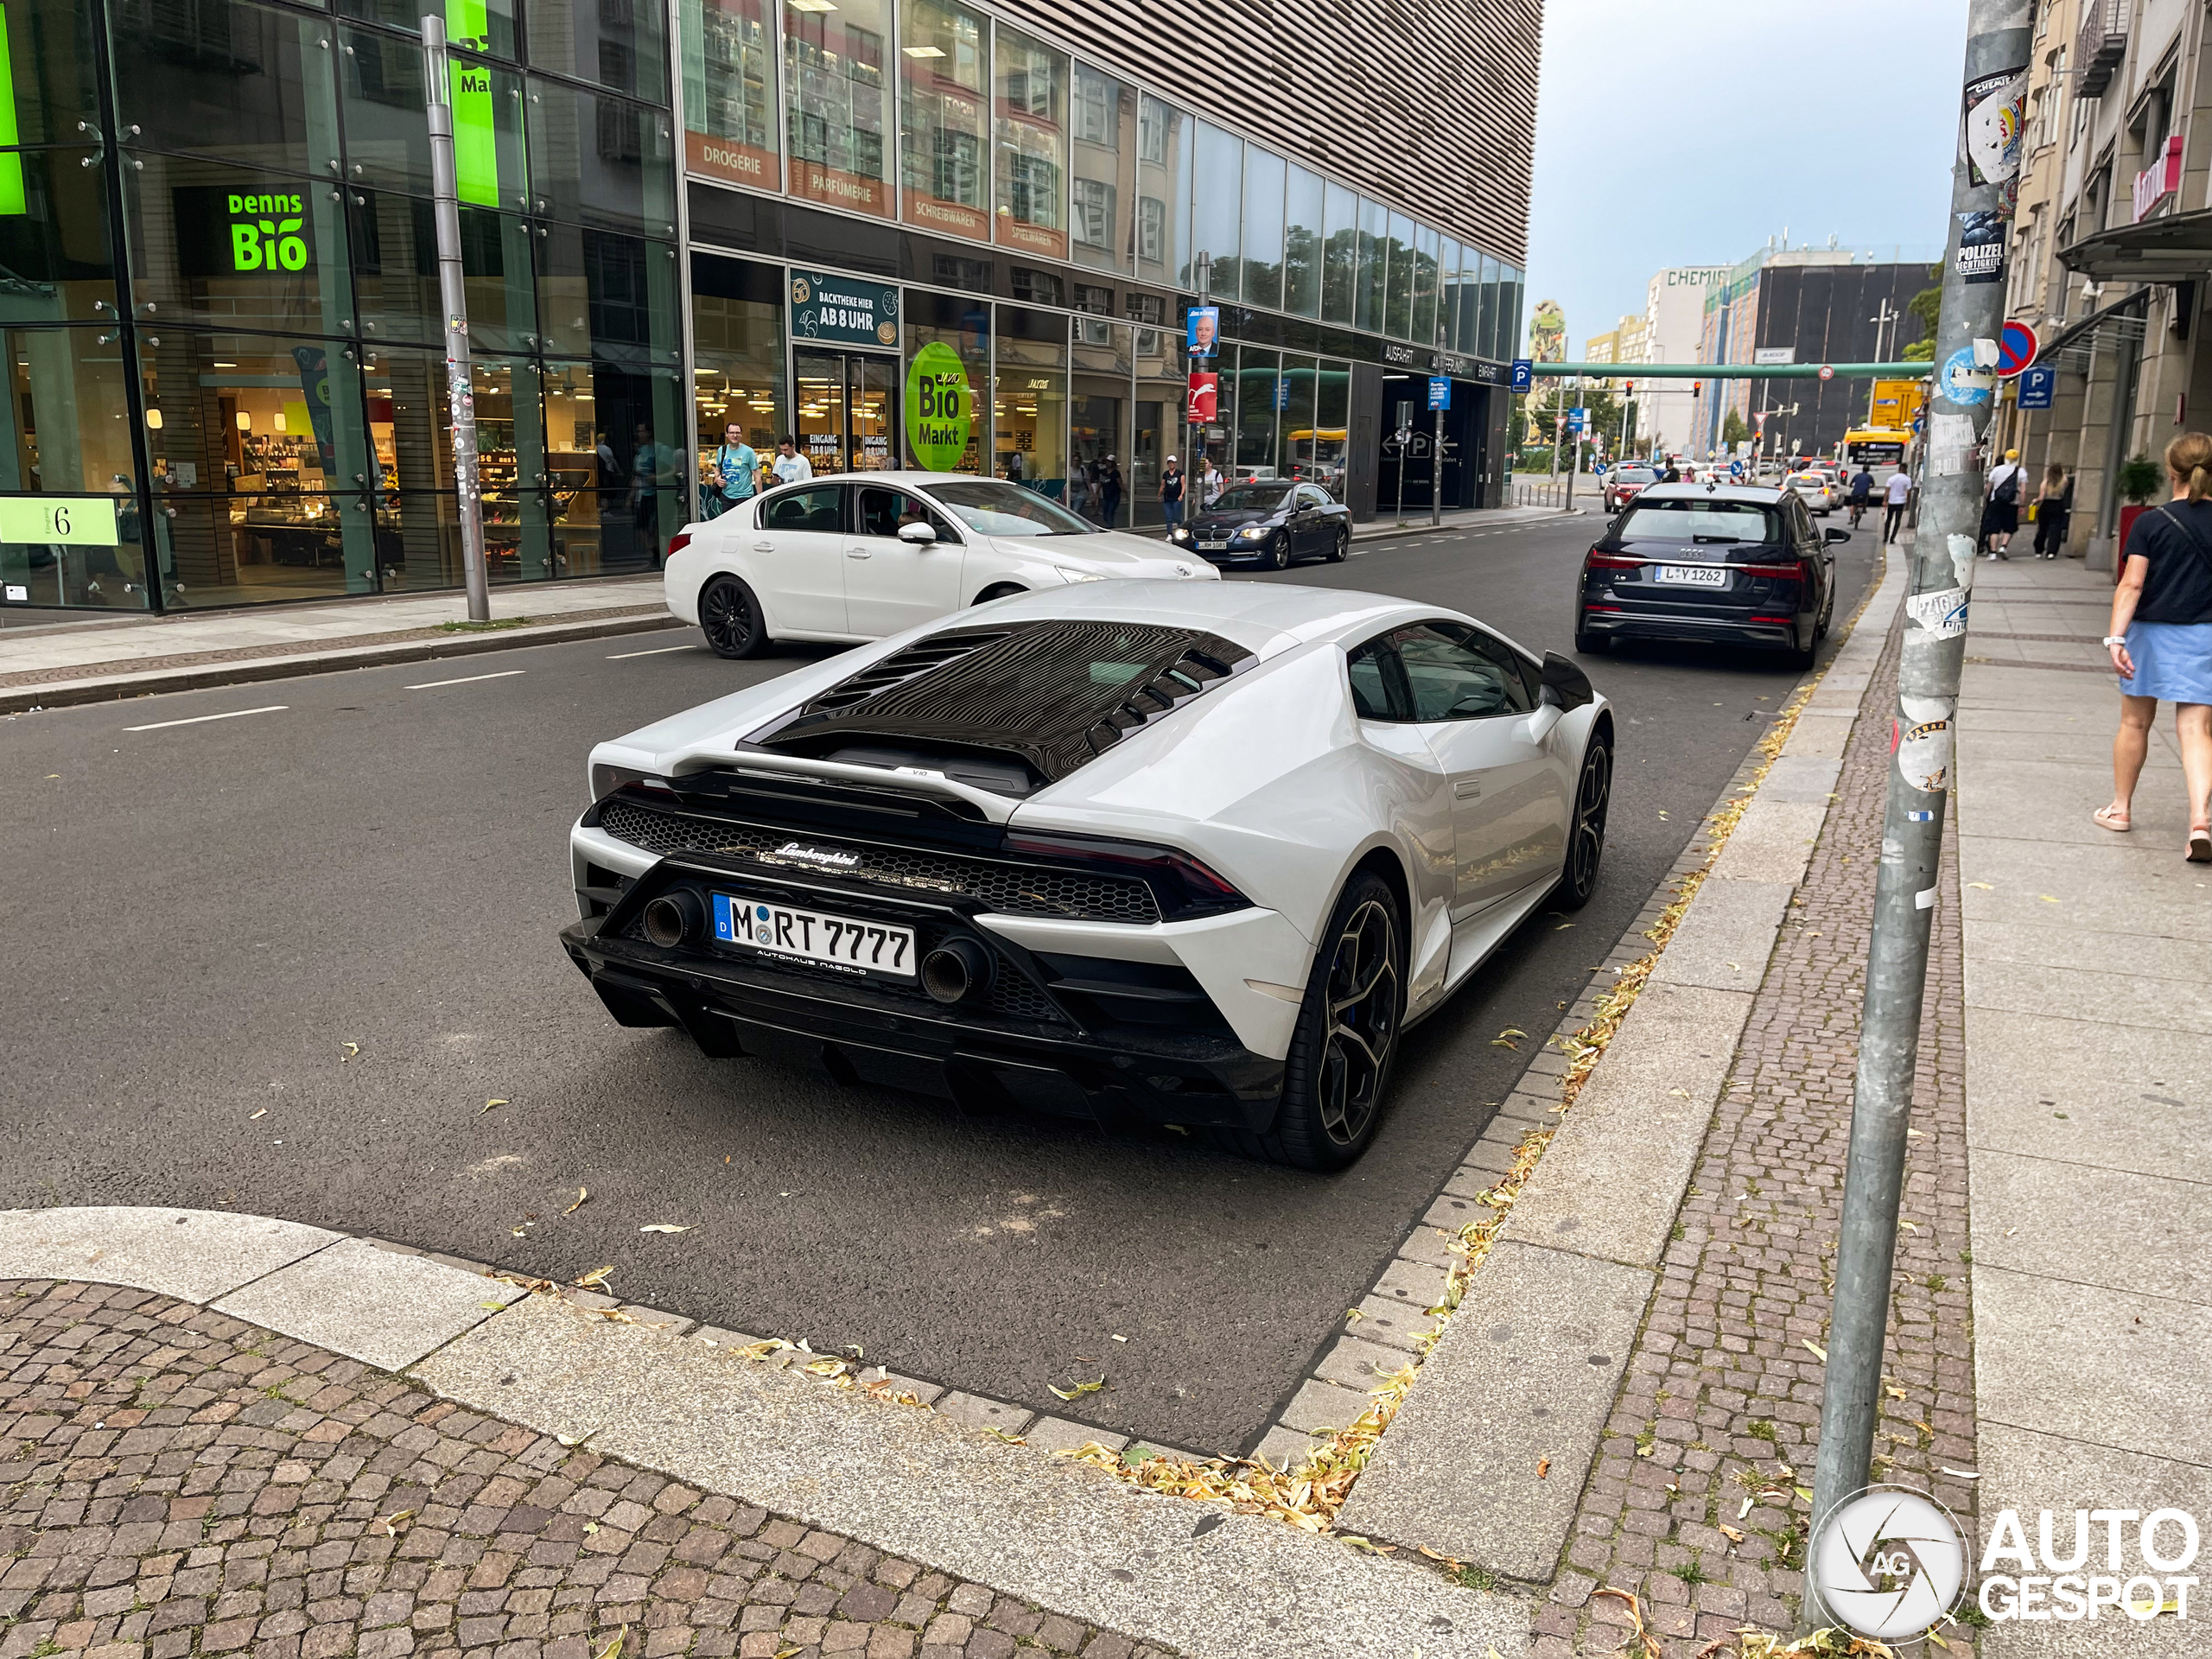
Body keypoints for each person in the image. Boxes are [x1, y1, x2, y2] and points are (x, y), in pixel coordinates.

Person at [2098, 430, 2212, 860]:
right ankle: (2199, 821)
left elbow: (2132, 584)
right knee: (2197, 730)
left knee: (2134, 724)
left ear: (2171, 471)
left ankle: (2120, 809)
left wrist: (2115, 637)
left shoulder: (2150, 522)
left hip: (2150, 634)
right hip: (2205, 636)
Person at [628, 423, 677, 566]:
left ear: (649, 433)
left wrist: (657, 478)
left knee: (657, 527)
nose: (639, 434)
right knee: (640, 528)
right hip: (644, 494)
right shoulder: (641, 452)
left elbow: (674, 470)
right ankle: (654, 553)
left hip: (659, 495)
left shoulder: (661, 450)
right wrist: (631, 495)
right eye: (638, 431)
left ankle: (663, 557)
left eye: (641, 431)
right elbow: (636, 476)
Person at [705, 423, 757, 520]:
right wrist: (717, 478)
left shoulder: (748, 452)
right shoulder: (722, 450)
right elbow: (718, 468)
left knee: (742, 524)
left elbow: (757, 476)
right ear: (726, 434)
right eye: (732, 432)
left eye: (737, 433)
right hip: (726, 496)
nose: (735, 435)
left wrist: (759, 498)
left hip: (744, 496)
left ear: (741, 435)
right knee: (727, 524)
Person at [1981, 447, 2024, 559]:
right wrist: (2022, 504)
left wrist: (1988, 499)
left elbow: (1988, 486)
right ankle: (2003, 546)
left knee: (1993, 528)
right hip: (2012, 502)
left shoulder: (1997, 470)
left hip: (1996, 501)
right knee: (2009, 527)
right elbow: (2023, 490)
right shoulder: (2020, 471)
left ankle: (1993, 553)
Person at [2032, 462, 2072, 559]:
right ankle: (2051, 551)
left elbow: (2041, 498)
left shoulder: (2045, 483)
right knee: (2056, 529)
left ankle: (2039, 550)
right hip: (2058, 505)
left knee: (2042, 529)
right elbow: (2065, 481)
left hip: (2046, 505)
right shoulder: (2064, 481)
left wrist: (2035, 501)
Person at [1882, 466, 1913, 543]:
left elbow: (1887, 491)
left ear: (1899, 469)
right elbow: (1908, 493)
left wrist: (1885, 501)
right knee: (1897, 521)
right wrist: (1908, 503)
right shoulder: (1907, 479)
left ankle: (1885, 537)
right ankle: (1892, 538)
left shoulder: (1891, 478)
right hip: (1901, 502)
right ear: (1905, 469)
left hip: (1892, 501)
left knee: (1888, 520)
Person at [1847, 462, 1874, 530]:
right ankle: (1864, 508)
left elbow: (1850, 484)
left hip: (1855, 493)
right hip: (1864, 494)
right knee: (1866, 498)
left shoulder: (1857, 476)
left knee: (1853, 505)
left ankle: (1851, 517)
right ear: (1868, 470)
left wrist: (1852, 486)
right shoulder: (1870, 477)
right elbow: (1873, 485)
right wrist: (1869, 486)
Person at [1160, 456, 1185, 529]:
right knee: (1168, 517)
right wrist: (1159, 495)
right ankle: (1169, 533)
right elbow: (1162, 485)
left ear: (1175, 463)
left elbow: (1183, 485)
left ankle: (1183, 528)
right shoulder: (1166, 474)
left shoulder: (1180, 473)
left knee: (1177, 517)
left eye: (1172, 463)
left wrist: (1181, 495)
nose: (1171, 464)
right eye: (1170, 463)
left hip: (1176, 498)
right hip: (1167, 498)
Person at [1101, 454, 1124, 528]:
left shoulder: (1115, 473)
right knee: (1105, 514)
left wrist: (1126, 492)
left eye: (1110, 462)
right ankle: (1110, 525)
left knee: (1110, 512)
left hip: (1114, 496)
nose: (1108, 463)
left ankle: (1111, 527)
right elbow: (1100, 482)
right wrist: (1095, 493)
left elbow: (1120, 483)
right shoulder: (1104, 472)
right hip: (1106, 495)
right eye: (1107, 461)